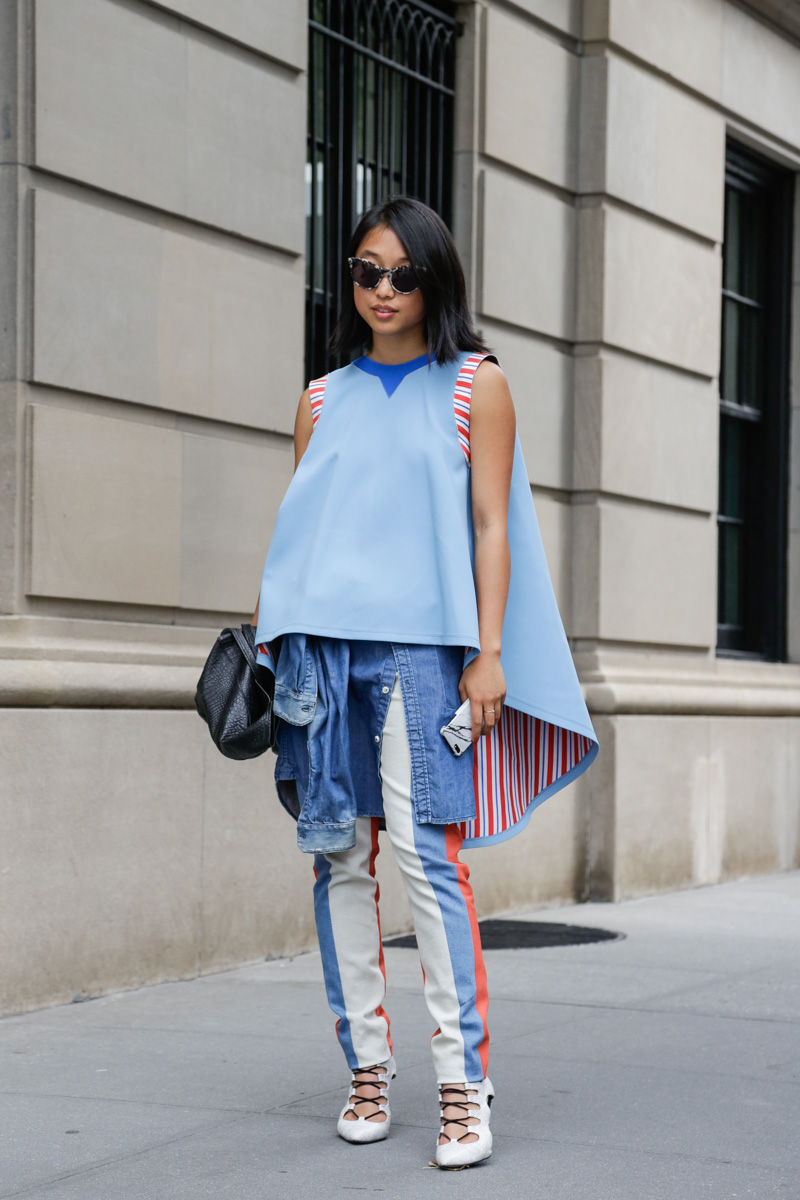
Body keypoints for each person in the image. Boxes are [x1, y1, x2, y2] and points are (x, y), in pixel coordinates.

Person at [250, 196, 598, 1168]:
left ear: (435, 278)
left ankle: (461, 1084)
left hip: (423, 655)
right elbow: (302, 535)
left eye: (403, 273)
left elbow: (493, 525)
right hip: (323, 656)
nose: (384, 289)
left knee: (427, 859)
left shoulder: (476, 384)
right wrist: (269, 648)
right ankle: (366, 1066)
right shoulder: (321, 399)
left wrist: (489, 653)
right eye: (367, 271)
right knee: (339, 858)